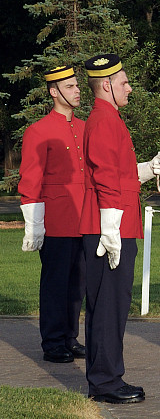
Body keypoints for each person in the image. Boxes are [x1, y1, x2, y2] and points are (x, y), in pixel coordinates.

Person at [80, 54, 160, 404]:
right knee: (108, 305)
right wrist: (110, 229)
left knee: (112, 303)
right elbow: (104, 177)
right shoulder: (103, 120)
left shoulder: (109, 118)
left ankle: (107, 375)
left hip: (114, 223)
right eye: (124, 83)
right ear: (106, 85)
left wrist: (149, 168)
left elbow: (118, 173)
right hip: (109, 228)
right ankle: (105, 381)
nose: (129, 88)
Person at [18, 65, 87, 364]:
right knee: (55, 284)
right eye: (70, 86)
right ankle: (53, 342)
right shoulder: (39, 130)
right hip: (56, 221)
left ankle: (70, 338)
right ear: (53, 91)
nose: (77, 90)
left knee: (78, 284)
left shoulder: (86, 128)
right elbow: (31, 180)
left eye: (77, 86)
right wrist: (34, 226)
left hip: (84, 217)